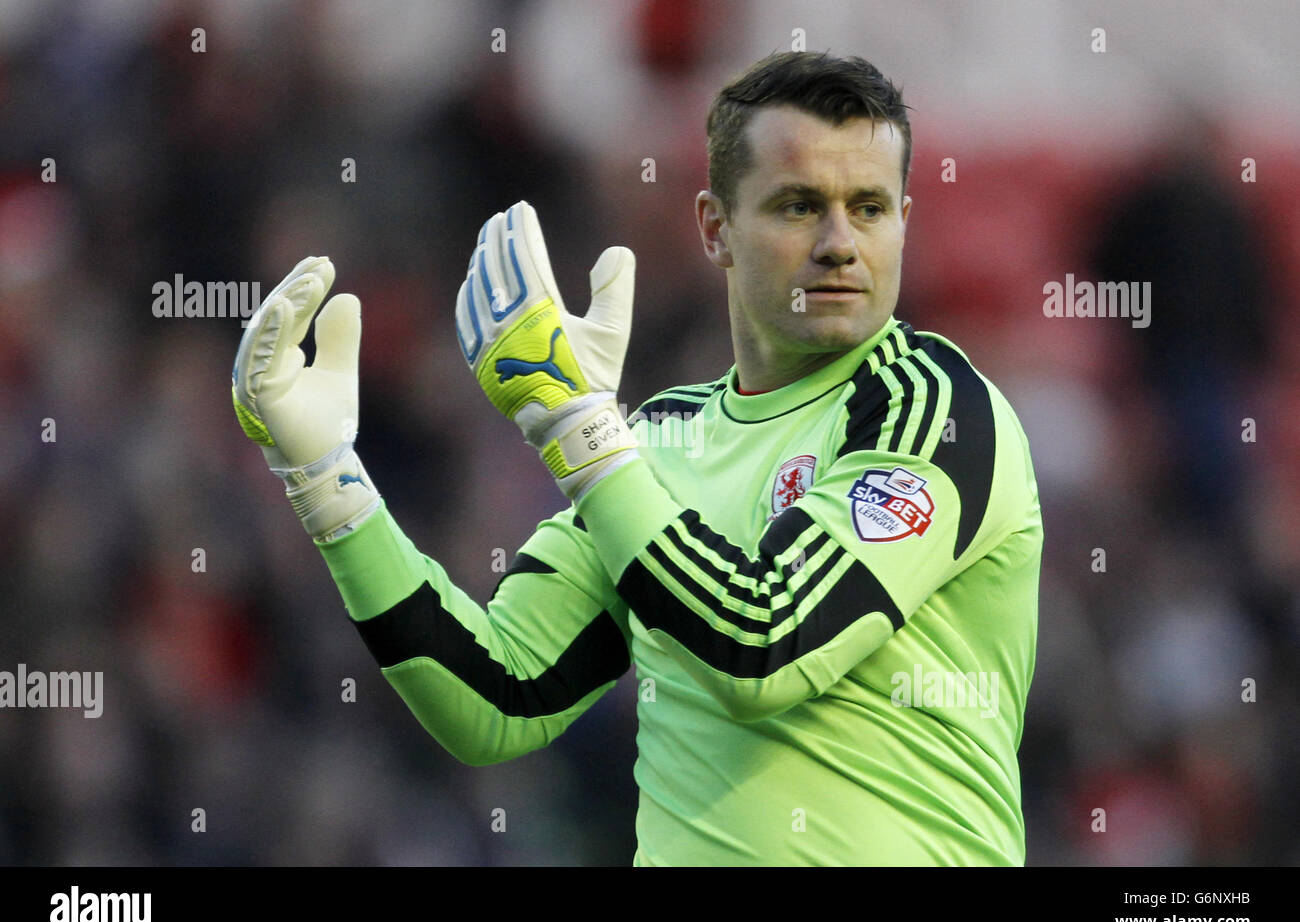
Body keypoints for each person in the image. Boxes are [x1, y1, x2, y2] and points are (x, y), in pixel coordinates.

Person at [231, 51, 1042, 865]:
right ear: (715, 229)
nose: (839, 243)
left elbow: (765, 644)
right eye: (799, 207)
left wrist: (580, 430)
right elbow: (498, 697)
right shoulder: (657, 441)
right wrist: (328, 480)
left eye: (868, 208)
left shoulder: (933, 409)